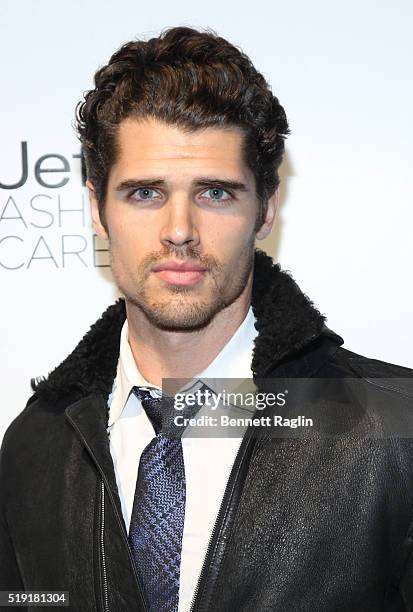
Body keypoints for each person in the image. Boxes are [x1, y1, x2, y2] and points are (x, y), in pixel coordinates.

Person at [0, 25, 412, 612]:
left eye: (215, 193)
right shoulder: (34, 447)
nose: (179, 230)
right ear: (97, 209)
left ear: (266, 208)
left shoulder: (397, 431)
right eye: (145, 193)